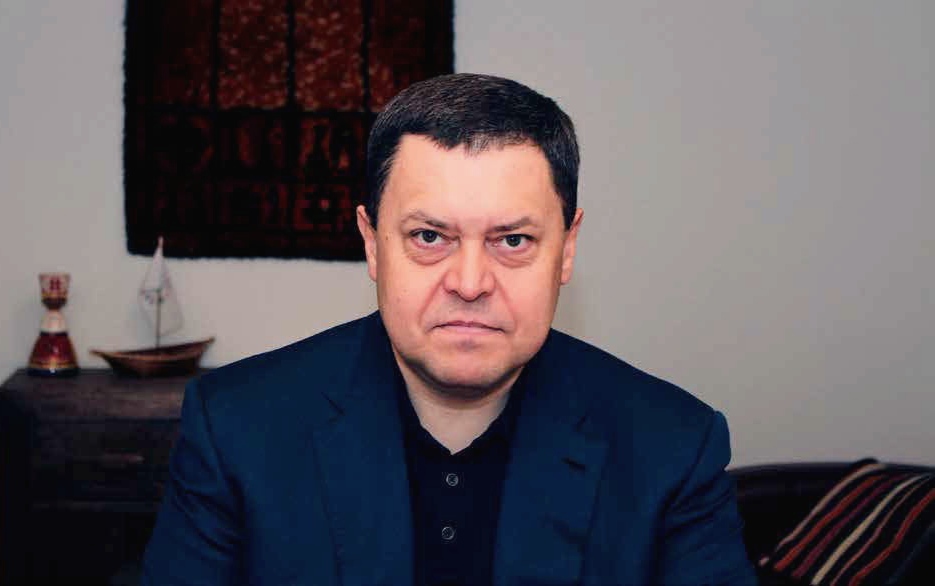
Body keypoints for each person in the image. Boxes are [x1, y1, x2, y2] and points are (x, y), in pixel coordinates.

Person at [142, 73, 757, 585]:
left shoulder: (674, 449)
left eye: (512, 241)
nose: (469, 282)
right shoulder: (235, 429)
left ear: (567, 249)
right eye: (429, 236)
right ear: (372, 243)